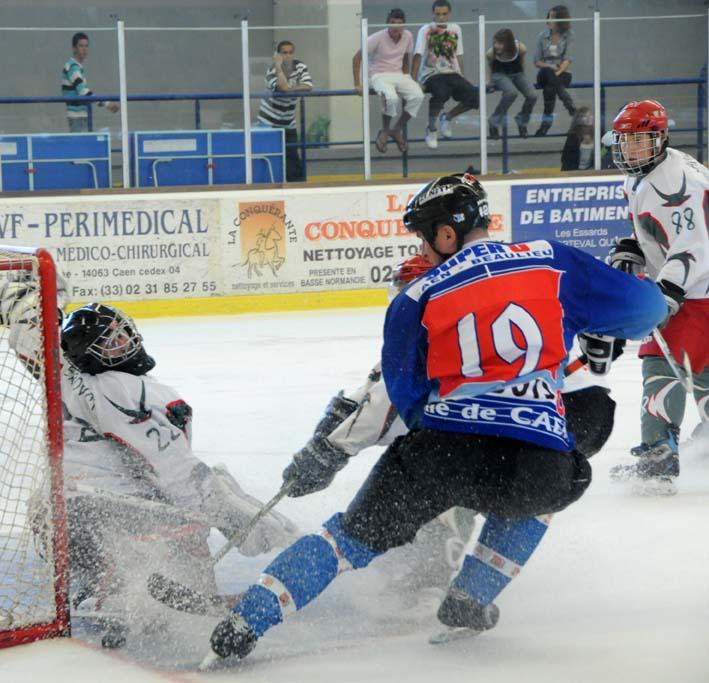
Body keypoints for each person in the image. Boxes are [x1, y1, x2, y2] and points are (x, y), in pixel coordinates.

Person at [206, 172, 666, 662]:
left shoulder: (415, 298)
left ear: (445, 234)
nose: (423, 253)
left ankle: (244, 623)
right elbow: (649, 310)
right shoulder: (551, 260)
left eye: (423, 240)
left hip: (441, 454)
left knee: (343, 541)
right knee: (558, 468)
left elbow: (404, 398)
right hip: (540, 458)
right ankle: (471, 598)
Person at [0, 294, 298, 647]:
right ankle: (129, 597)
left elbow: (32, 342)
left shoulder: (64, 372)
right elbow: (170, 463)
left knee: (153, 501)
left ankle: (96, 581)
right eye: (111, 342)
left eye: (122, 335)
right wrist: (233, 516)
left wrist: (28, 304)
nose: (125, 343)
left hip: (51, 518)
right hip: (97, 512)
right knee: (198, 503)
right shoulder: (125, 388)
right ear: (92, 356)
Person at [606, 99, 709, 494]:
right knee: (702, 374)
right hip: (698, 287)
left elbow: (692, 247)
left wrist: (666, 293)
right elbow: (657, 232)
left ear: (660, 138)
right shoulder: (646, 173)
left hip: (696, 290)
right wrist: (635, 246)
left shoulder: (677, 183)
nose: (630, 147)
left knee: (659, 364)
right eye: (625, 140)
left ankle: (658, 458)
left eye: (639, 139)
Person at [352, 8, 423, 154]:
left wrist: (407, 79)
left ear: (404, 25)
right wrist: (357, 84)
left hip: (398, 75)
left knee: (418, 96)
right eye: (392, 23)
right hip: (378, 75)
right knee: (391, 98)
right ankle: (385, 130)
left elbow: (405, 58)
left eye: (399, 24)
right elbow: (356, 58)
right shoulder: (376, 38)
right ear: (387, 23)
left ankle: (396, 129)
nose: (395, 27)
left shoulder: (408, 35)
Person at [411, 0, 479, 150]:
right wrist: (413, 81)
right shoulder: (426, 30)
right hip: (432, 73)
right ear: (433, 14)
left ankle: (447, 117)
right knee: (441, 93)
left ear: (449, 14)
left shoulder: (456, 29)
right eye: (437, 14)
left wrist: (462, 76)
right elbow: (417, 54)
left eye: (444, 14)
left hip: (452, 72)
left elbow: (459, 54)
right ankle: (431, 129)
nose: (441, 18)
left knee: (475, 97)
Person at [257, 41, 313, 182]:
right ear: (278, 55)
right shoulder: (271, 70)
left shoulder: (300, 67)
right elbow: (281, 86)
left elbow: (307, 85)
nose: (288, 56)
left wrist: (290, 89)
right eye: (284, 53)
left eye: (290, 52)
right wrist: (278, 66)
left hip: (288, 121)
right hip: (268, 121)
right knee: (271, 156)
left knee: (293, 156)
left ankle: (297, 187)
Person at [485, 28, 538, 139]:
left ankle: (522, 120)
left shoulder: (520, 48)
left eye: (500, 43)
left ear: (508, 44)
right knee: (511, 92)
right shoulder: (491, 53)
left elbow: (522, 61)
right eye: (495, 43)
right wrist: (488, 81)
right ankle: (494, 121)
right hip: (499, 74)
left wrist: (523, 77)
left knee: (532, 95)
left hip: (517, 73)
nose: (496, 46)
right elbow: (489, 66)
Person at [62, 32, 119, 133]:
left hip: (81, 115)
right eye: (81, 46)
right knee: (82, 147)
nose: (84, 49)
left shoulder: (75, 66)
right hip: (77, 117)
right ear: (74, 48)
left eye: (86, 46)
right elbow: (82, 91)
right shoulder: (73, 67)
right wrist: (107, 103)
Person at [533, 5, 576, 137]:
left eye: (553, 17)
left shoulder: (569, 36)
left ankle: (545, 124)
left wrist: (557, 73)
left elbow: (567, 60)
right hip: (545, 73)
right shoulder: (542, 36)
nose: (549, 20)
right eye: (549, 17)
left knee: (549, 90)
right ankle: (571, 107)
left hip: (563, 73)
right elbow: (537, 61)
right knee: (547, 72)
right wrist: (551, 68)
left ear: (560, 20)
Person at [560, 107, 596, 171]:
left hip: (593, 172)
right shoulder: (573, 136)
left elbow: (603, 152)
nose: (588, 118)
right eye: (585, 116)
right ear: (578, 119)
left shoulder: (598, 133)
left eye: (590, 115)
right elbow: (566, 159)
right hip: (576, 172)